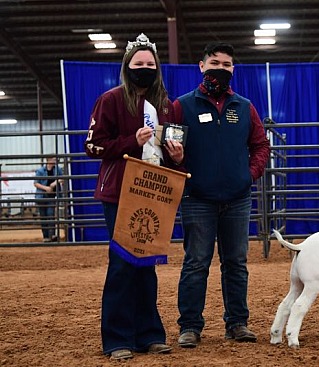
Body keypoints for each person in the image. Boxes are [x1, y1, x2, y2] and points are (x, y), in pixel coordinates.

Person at [84, 33, 185, 360]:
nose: (144, 68)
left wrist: (177, 156)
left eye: (150, 64)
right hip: (119, 192)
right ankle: (116, 338)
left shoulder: (165, 106)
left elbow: (168, 153)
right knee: (123, 263)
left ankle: (149, 333)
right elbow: (93, 146)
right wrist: (131, 140)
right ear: (127, 67)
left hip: (153, 192)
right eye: (138, 63)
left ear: (157, 68)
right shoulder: (111, 100)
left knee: (146, 263)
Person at [173, 42, 270, 348]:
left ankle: (238, 323)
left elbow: (260, 145)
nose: (221, 68)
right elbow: (171, 146)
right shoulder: (182, 105)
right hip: (197, 197)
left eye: (227, 64)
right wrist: (178, 162)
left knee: (236, 262)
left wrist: (249, 175)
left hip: (237, 198)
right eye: (215, 62)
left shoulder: (244, 106)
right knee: (196, 263)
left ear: (233, 70)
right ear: (201, 66)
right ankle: (189, 326)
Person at [34, 155, 63, 242]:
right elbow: (36, 183)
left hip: (52, 195)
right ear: (48, 160)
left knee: (50, 215)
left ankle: (52, 235)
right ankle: (46, 236)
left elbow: (61, 178)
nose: (55, 160)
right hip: (42, 196)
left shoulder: (57, 169)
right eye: (54, 159)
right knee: (43, 216)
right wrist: (46, 188)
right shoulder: (40, 170)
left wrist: (54, 183)